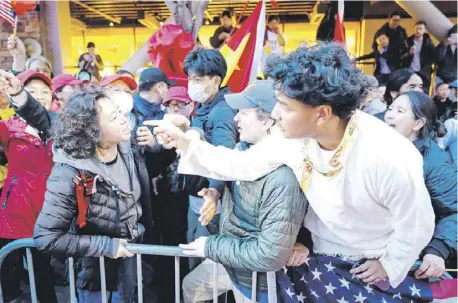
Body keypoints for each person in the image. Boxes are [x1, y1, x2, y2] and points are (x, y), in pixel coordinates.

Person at [148, 44, 435, 294]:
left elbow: (417, 222)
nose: (274, 114)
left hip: (369, 262)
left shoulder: (388, 155)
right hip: (317, 258)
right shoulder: (293, 140)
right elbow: (240, 165)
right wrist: (186, 143)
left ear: (321, 112)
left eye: (284, 106)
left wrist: (388, 263)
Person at [181, 80, 308, 303]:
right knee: (191, 287)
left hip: (258, 280)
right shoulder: (245, 149)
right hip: (231, 262)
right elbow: (229, 163)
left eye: (243, 112)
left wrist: (210, 246)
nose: (235, 118)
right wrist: (216, 189)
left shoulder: (282, 177)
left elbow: (269, 255)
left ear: (269, 120)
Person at [32, 89, 156, 302]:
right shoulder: (69, 172)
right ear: (92, 129)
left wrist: (162, 147)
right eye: (114, 117)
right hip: (94, 272)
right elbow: (47, 237)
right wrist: (107, 246)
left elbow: (147, 175)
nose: (124, 120)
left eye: (120, 112)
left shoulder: (128, 148)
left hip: (130, 260)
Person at [385, 91, 457, 279]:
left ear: (418, 123)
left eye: (400, 111)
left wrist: (437, 251)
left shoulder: (435, 162)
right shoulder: (374, 147)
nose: (389, 115)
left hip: (411, 259)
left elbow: (453, 211)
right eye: (390, 108)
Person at [0, 69, 57, 303]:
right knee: (9, 267)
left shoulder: (59, 125)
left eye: (45, 91)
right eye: (32, 91)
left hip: (49, 208)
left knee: (44, 269)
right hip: (16, 207)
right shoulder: (6, 127)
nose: (40, 96)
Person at [183, 46, 238, 270]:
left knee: (205, 263)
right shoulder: (204, 105)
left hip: (211, 200)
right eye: (190, 79)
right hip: (199, 196)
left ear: (216, 81)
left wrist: (215, 192)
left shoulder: (222, 111)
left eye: (197, 79)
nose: (192, 85)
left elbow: (224, 155)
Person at [153, 86, 195, 301]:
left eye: (181, 104)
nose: (176, 109)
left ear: (192, 106)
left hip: (193, 204)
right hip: (166, 204)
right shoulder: (158, 135)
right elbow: (152, 167)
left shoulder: (198, 134)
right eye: (171, 105)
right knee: (168, 251)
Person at [402, 21, 436, 93]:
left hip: (423, 72)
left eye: (420, 29)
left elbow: (434, 57)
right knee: (409, 91)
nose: (418, 31)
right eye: (416, 29)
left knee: (424, 92)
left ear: (424, 30)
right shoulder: (408, 41)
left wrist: (427, 65)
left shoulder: (428, 42)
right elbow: (401, 57)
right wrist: (409, 54)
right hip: (410, 70)